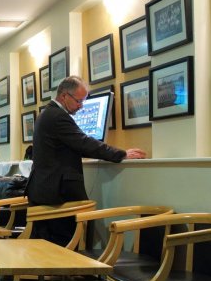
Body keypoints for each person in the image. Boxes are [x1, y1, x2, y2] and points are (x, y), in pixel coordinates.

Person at [25, 75, 146, 245]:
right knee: (61, 244)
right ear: (64, 96)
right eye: (78, 101)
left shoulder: (47, 113)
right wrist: (121, 154)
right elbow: (83, 142)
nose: (81, 106)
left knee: (48, 244)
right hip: (56, 194)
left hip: (44, 189)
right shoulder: (58, 116)